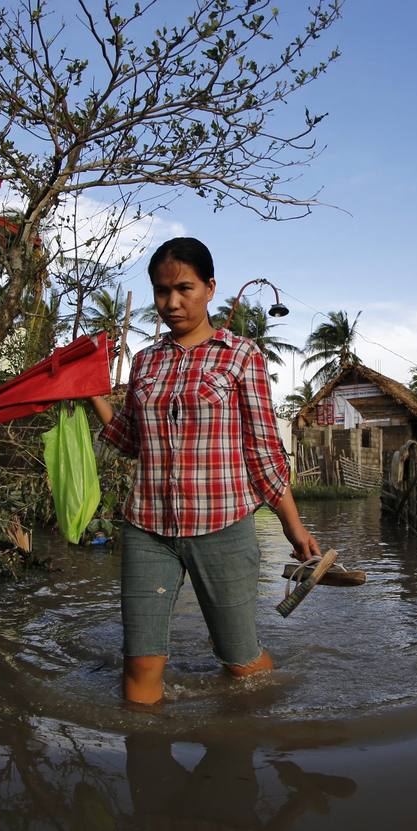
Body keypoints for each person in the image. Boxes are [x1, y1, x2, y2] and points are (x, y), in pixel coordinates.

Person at [90, 237, 320, 705]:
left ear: (210, 288)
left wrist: (294, 527)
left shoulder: (241, 356)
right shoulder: (144, 362)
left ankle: (257, 735)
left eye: (184, 288)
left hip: (223, 526)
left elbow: (263, 451)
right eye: (161, 291)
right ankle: (145, 760)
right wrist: (90, 392)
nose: (171, 303)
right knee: (140, 661)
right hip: (147, 528)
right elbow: (132, 441)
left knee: (240, 661)